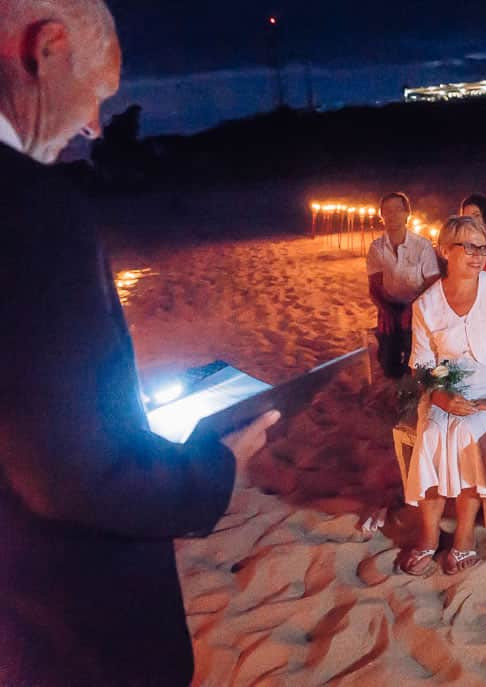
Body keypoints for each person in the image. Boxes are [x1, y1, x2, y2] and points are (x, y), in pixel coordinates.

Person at [0, 2, 280, 684]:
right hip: (65, 630)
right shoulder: (30, 209)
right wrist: (212, 468)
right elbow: (74, 474)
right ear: (48, 48)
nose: (95, 125)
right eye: (97, 94)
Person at [401, 216, 486, 575]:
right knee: (431, 433)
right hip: (444, 391)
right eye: (469, 247)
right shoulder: (427, 305)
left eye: (483, 247)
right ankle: (429, 534)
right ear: (446, 250)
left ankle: (464, 535)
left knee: (466, 433)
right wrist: (441, 397)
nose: (479, 255)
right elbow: (422, 366)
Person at [367, 192, 440, 378]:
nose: (392, 215)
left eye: (397, 210)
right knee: (388, 362)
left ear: (407, 213)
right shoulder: (376, 247)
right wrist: (385, 310)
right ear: (381, 215)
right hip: (389, 306)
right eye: (387, 210)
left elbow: (433, 285)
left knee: (415, 357)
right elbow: (374, 286)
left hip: (420, 306)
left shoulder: (422, 246)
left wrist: (413, 309)